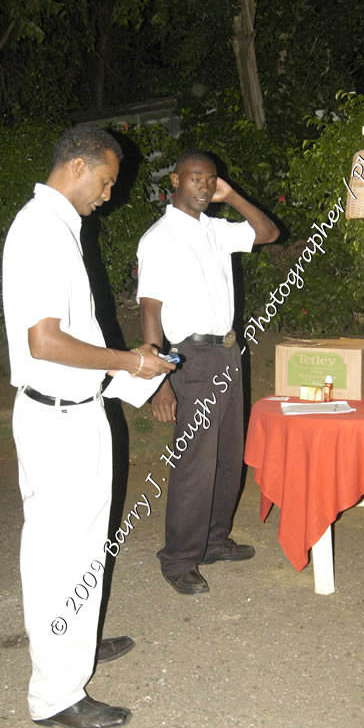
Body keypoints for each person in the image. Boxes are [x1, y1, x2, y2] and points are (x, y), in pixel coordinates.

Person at [2, 124, 174, 728]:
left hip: (78, 412)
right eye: (105, 182)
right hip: (56, 420)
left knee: (81, 549)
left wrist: (132, 369)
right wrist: (129, 361)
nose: (108, 196)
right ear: (76, 166)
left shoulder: (61, 227)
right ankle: (55, 694)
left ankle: (71, 641)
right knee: (58, 555)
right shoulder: (39, 229)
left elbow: (76, 333)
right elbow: (45, 343)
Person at [136, 149, 279, 594]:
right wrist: (160, 379)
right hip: (191, 358)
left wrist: (232, 196)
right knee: (195, 463)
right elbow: (150, 309)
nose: (204, 185)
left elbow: (269, 232)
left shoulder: (215, 229)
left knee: (228, 455)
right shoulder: (160, 237)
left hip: (229, 353)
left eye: (211, 179)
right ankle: (178, 558)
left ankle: (214, 541)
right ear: (175, 180)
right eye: (196, 177)